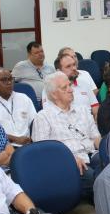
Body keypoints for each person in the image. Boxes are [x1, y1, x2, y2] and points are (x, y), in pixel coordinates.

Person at [32, 72, 101, 202]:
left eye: (69, 85)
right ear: (53, 94)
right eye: (65, 88)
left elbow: (96, 137)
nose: (70, 90)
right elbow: (43, 154)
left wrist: (106, 150)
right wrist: (69, 159)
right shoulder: (43, 117)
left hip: (92, 154)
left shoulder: (82, 110)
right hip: (68, 163)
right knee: (97, 179)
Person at [0, 68, 37, 146]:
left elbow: (35, 123)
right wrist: (15, 139)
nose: (9, 82)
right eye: (4, 80)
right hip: (3, 147)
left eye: (11, 79)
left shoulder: (23, 98)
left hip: (27, 145)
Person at [49, 53, 100, 119]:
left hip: (88, 124)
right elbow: (49, 116)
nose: (73, 68)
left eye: (74, 65)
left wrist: (95, 123)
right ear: (59, 71)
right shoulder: (50, 88)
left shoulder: (84, 84)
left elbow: (95, 109)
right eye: (68, 66)